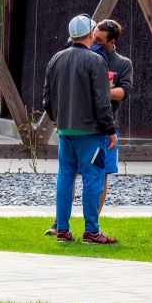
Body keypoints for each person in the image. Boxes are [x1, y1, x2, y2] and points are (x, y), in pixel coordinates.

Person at [43, 14, 118, 244]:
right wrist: (110, 129)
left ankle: (62, 230)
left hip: (65, 131)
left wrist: (59, 120)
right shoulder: (95, 61)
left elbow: (47, 98)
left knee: (65, 177)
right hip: (90, 132)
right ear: (90, 34)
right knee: (92, 179)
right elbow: (102, 100)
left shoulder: (56, 59)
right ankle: (91, 231)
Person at [92, 18, 133, 214]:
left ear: (112, 42)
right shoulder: (87, 56)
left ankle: (93, 224)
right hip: (83, 123)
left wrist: (99, 91)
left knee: (103, 174)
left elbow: (124, 92)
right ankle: (60, 224)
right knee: (71, 173)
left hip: (108, 126)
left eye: (99, 40)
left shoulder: (123, 63)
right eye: (93, 37)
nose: (94, 42)